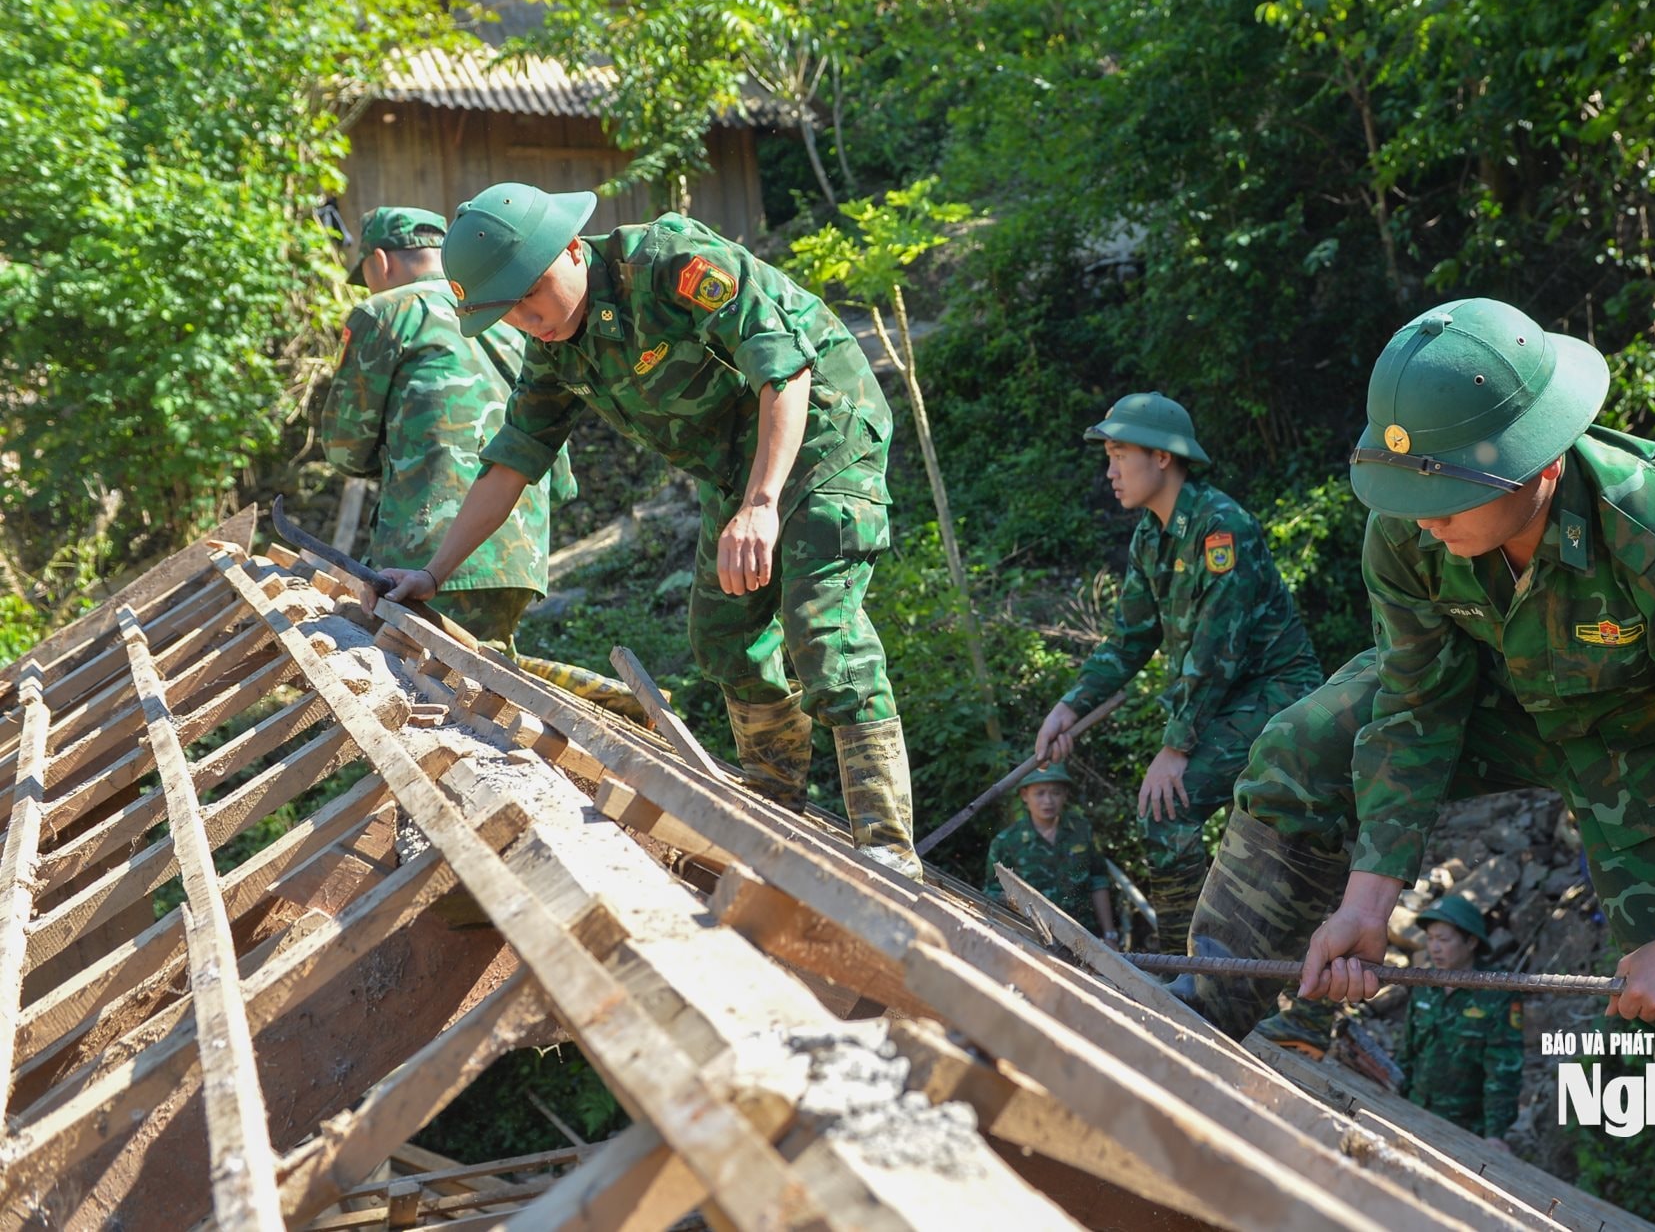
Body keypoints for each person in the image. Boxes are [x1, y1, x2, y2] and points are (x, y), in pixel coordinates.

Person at [1185, 297, 1655, 1231]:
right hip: (1500, 703)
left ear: (1539, 465)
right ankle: (1233, 1008)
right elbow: (1415, 703)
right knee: (1304, 745)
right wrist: (1367, 901)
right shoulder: (1409, 521)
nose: (1422, 520)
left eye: (1445, 500)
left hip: (1650, 747)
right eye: (1410, 496)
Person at [372, 183, 921, 878]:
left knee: (819, 624)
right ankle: (775, 805)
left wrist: (761, 504)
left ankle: (886, 847)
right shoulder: (554, 352)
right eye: (507, 310)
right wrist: (433, 573)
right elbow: (512, 463)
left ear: (574, 249)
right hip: (735, 470)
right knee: (723, 635)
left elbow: (785, 369)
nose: (528, 318)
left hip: (823, 432)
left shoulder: (670, 264)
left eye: (532, 293)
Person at [1034, 392, 1321, 957]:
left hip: (1278, 694)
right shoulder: (1151, 536)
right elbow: (1129, 639)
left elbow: (1217, 652)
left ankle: (1189, 969)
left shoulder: (1221, 528)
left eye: (1120, 456)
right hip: (1225, 702)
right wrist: (1069, 707)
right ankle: (1189, 965)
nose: (1111, 473)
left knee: (1167, 807)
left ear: (1162, 457)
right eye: (1109, 459)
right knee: (1167, 810)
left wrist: (1177, 746)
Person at [320, 205, 573, 652]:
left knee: (412, 678)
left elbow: (344, 448)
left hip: (426, 551)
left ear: (380, 261)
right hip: (520, 551)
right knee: (479, 676)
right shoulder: (507, 310)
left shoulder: (387, 311)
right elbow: (557, 465)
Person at [1397, 897, 1522, 1147]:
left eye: (1443, 940)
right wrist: (1395, 1092)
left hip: (1464, 1129)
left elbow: (1503, 1069)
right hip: (1413, 1111)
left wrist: (1495, 1133)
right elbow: (1407, 1050)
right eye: (1430, 939)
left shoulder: (1496, 993)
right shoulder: (1424, 984)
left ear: (1471, 942)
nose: (1434, 948)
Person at [983, 765, 1119, 944]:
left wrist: (1109, 934)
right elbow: (994, 892)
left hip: (1085, 938)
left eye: (1055, 793)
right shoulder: (1006, 841)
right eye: (1039, 793)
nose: (1048, 801)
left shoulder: (1082, 831)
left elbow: (1098, 881)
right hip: (1031, 938)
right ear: (1025, 795)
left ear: (1065, 795)